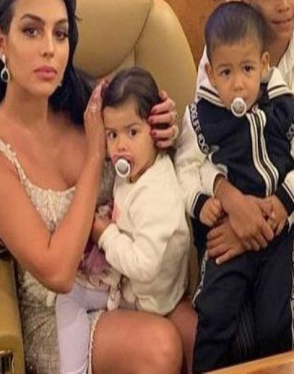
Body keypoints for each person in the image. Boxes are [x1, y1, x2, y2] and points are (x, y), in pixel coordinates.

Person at [0, 0, 189, 374]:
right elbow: (58, 273)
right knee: (160, 347)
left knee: (202, 336)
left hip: (128, 280)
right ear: (1, 41)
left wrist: (165, 133)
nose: (50, 48)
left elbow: (151, 171)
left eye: (61, 33)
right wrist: (93, 157)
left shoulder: (90, 103)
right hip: (57, 314)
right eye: (32, 31)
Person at [177, 0, 294, 359]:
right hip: (225, 219)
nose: (283, 4)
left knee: (293, 327)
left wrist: (263, 220)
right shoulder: (221, 55)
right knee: (233, 338)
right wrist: (230, 202)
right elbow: (202, 151)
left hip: (284, 218)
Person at [55, 67, 191, 373]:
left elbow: (143, 265)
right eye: (112, 135)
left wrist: (104, 233)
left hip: (146, 296)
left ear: (155, 131)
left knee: (67, 298)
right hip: (136, 282)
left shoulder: (156, 193)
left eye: (132, 132)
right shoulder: (137, 168)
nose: (120, 147)